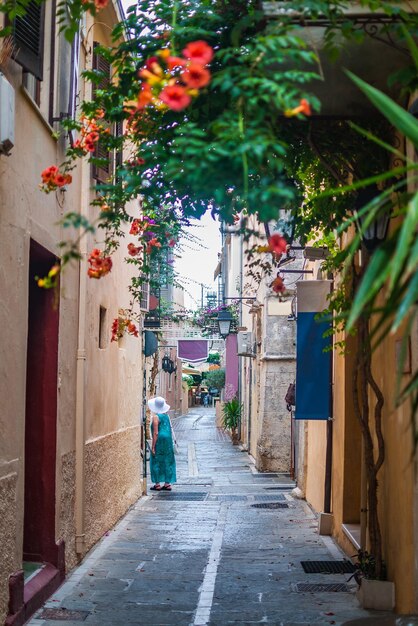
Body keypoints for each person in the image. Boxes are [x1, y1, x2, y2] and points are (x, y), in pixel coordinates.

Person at [148, 396, 177, 491]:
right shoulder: (166, 416)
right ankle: (167, 483)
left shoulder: (156, 417)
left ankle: (157, 484)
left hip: (160, 440)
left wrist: (153, 447)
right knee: (168, 459)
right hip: (168, 440)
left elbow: (156, 433)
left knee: (156, 460)